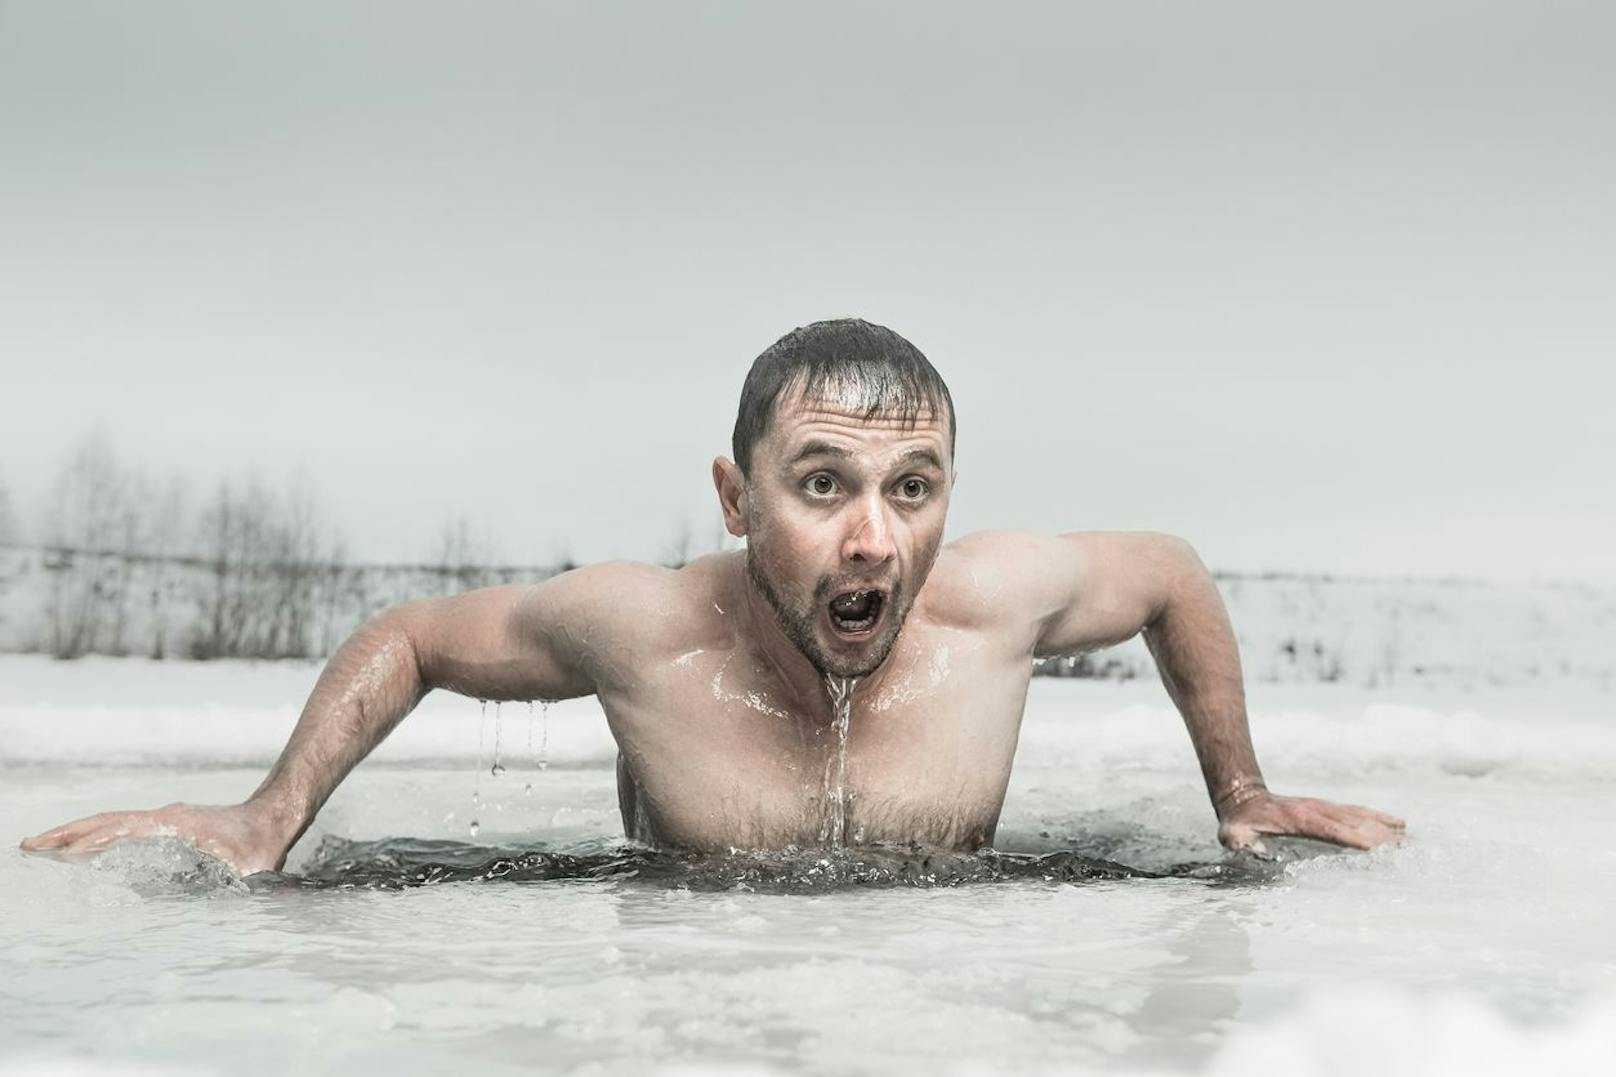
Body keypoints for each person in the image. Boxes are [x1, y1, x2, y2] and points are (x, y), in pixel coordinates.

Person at [21, 318, 1404, 875]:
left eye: (913, 488)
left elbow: (1168, 569)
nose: (874, 538)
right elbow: (417, 639)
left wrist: (1243, 786)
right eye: (822, 485)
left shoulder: (993, 607)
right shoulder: (650, 631)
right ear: (738, 500)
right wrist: (270, 820)